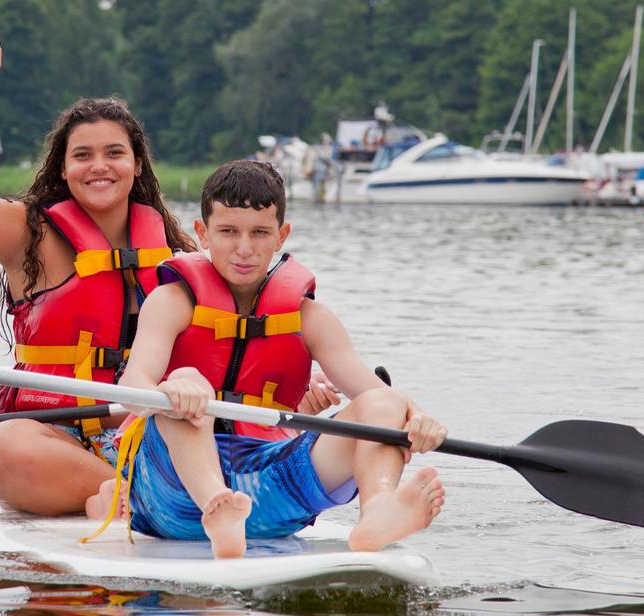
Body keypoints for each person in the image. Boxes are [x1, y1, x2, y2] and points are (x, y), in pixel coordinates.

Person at [91, 159, 447, 559]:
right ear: (203, 233)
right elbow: (132, 384)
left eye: (260, 233)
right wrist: (168, 392)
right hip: (173, 494)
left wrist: (418, 418)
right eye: (228, 232)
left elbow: (378, 397)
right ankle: (217, 506)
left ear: (281, 236)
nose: (244, 248)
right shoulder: (172, 301)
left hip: (267, 490)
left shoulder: (310, 319)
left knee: (384, 403)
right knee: (188, 380)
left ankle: (378, 510)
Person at [0, 17, 199, 515]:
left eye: (114, 153)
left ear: (137, 164)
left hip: (152, 433)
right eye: (83, 155)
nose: (100, 165)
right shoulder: (29, 236)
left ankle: (144, 493)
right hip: (58, 437)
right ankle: (141, 499)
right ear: (63, 168)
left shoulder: (174, 250)